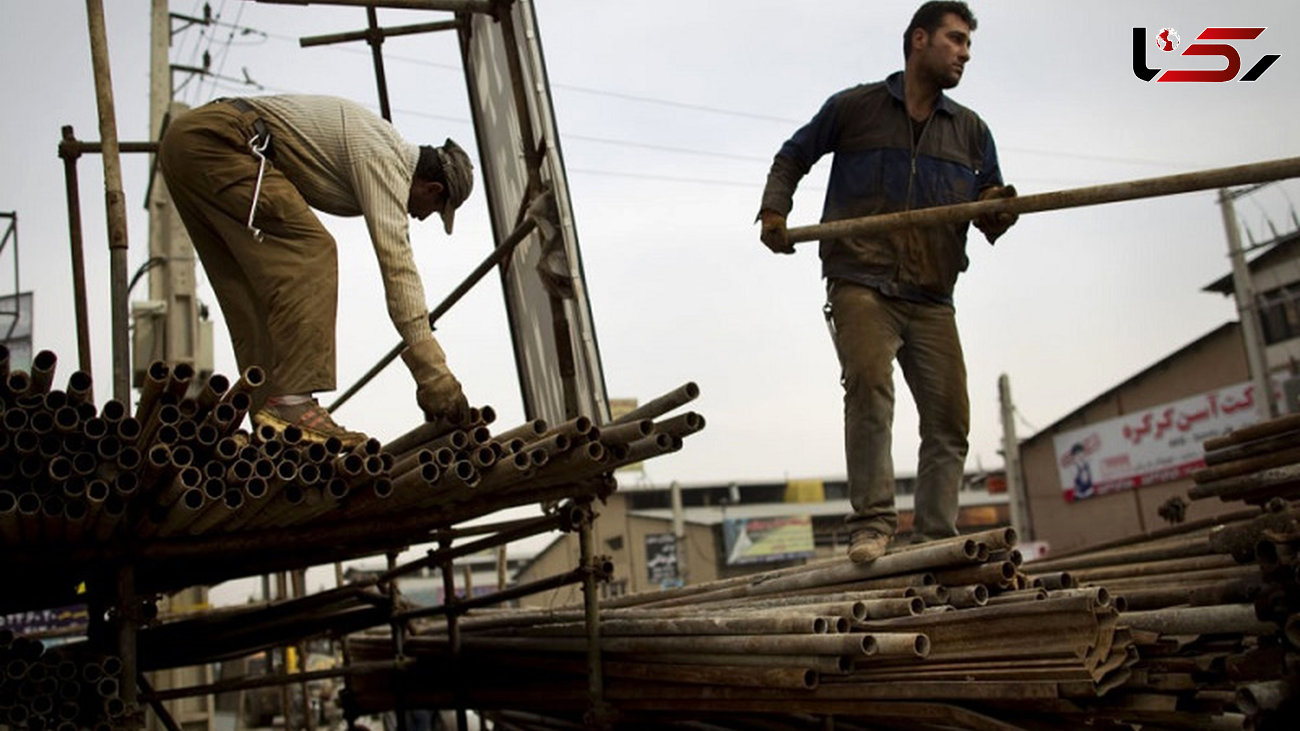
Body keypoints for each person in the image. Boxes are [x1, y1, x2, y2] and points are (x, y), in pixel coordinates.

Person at [757, 2, 1018, 563]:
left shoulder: (971, 131)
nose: (964, 54)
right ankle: (872, 525)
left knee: (950, 421)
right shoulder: (856, 109)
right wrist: (774, 214)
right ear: (918, 40)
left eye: (969, 45)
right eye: (955, 40)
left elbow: (988, 208)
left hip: (932, 294)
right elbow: (792, 156)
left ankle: (934, 540)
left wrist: (998, 208)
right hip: (861, 280)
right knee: (870, 388)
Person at [159, 94, 474, 447]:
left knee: (253, 291)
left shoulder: (377, 145)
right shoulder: (387, 161)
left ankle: (271, 421)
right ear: (433, 188)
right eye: (434, 208)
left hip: (188, 145)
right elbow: (397, 265)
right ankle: (292, 403)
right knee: (314, 252)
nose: (423, 217)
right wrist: (433, 371)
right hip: (224, 142)